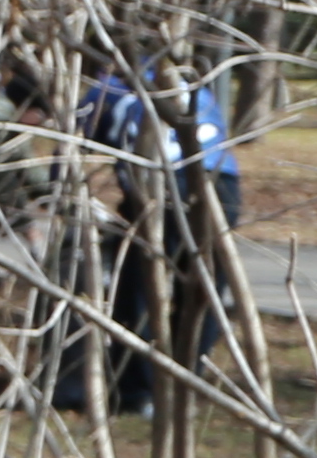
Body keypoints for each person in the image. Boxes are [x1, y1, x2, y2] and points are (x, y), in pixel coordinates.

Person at [66, 53, 247, 423]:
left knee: (139, 289)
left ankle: (138, 392)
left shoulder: (107, 88)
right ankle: (189, 381)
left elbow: (72, 144)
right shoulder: (193, 84)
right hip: (220, 182)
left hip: (156, 184)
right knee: (203, 292)